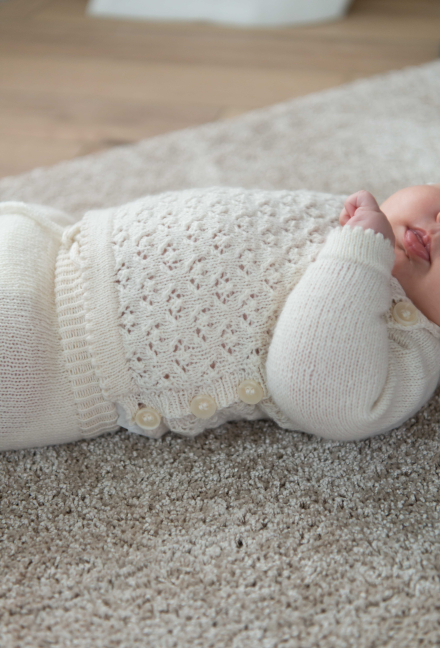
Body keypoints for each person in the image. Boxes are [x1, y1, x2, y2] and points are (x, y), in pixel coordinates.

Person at [1, 185, 440, 451]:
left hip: (51, 358)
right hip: (52, 243)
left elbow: (316, 392)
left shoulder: (412, 350)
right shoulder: (369, 218)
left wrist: (360, 254)